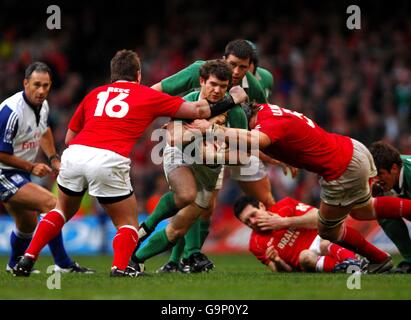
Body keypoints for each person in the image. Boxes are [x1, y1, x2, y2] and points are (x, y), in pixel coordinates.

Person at [13, 50, 248, 277]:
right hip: (109, 159)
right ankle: (121, 268)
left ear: (113, 75)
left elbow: (69, 138)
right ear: (138, 75)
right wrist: (233, 97)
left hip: (75, 154)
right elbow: (199, 109)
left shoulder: (95, 93)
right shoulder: (146, 94)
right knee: (127, 222)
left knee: (60, 211)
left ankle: (28, 257)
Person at [190, 102, 411, 273]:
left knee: (328, 230)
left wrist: (212, 128)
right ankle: (381, 255)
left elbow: (257, 139)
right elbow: (253, 134)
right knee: (364, 210)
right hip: (352, 150)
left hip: (340, 169)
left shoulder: (266, 125)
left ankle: (378, 260)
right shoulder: (267, 111)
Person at [131, 59, 248, 273]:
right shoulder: (186, 103)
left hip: (209, 169)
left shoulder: (237, 113)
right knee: (188, 195)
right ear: (202, 81)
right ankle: (183, 250)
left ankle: (138, 257)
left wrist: (212, 143)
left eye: (223, 87)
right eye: (212, 84)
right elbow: (174, 138)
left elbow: (243, 156)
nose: (217, 90)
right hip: (179, 157)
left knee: (178, 229)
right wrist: (204, 134)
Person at [0, 62, 94, 274]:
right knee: (52, 204)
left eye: (46, 85)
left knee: (27, 225)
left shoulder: (42, 105)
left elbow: (44, 131)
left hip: (18, 173)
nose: (41, 91)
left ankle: (14, 264)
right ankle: (63, 263)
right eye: (36, 85)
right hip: (3, 173)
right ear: (25, 83)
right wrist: (31, 167)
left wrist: (53, 159)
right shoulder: (11, 112)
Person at [233, 195, 367, 273]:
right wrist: (277, 261)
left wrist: (285, 222)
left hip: (325, 238)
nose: (252, 222)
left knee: (324, 243)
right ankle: (351, 266)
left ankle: (354, 263)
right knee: (305, 257)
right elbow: (281, 270)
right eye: (247, 222)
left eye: (253, 215)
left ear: (261, 206)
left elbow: (319, 218)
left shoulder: (285, 205)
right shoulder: (255, 244)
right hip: (309, 260)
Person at [369, 141, 411, 273]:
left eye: (380, 174)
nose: (376, 180)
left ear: (394, 168)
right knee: (383, 209)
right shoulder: (396, 173)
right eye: (373, 175)